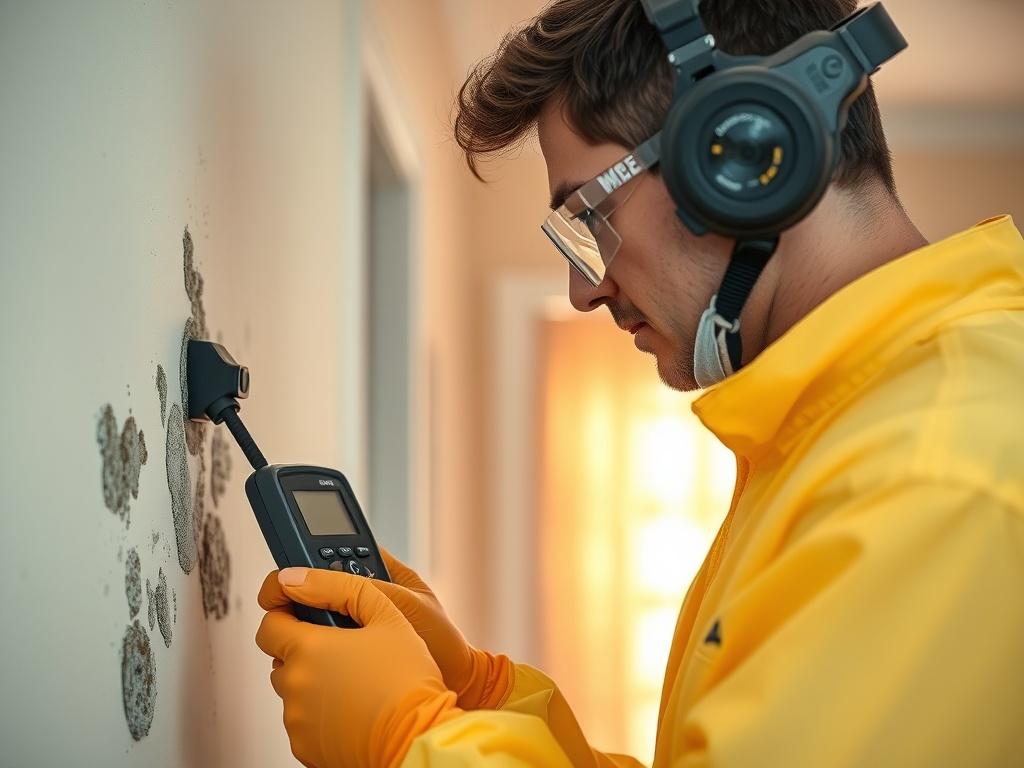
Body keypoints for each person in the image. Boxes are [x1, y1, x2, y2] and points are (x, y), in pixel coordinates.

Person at [254, 0, 1024, 765]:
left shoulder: (935, 469)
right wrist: (475, 694)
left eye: (589, 214)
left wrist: (409, 741)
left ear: (743, 156)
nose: (582, 291)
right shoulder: (857, 430)